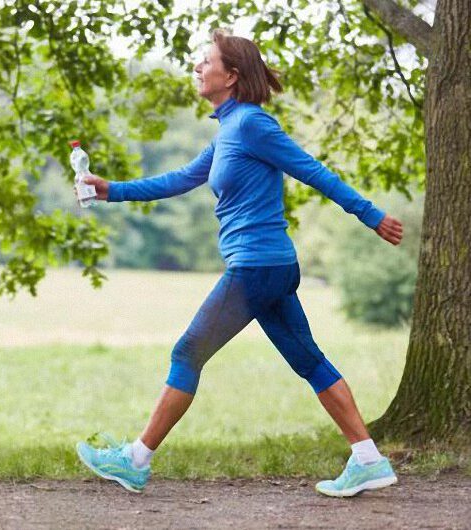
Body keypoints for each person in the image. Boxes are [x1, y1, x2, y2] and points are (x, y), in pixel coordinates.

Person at [74, 29, 404, 497]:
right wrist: (112, 190)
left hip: (256, 267)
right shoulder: (228, 129)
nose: (197, 67)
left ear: (230, 75)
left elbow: (312, 170)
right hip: (267, 268)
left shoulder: (252, 124)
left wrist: (370, 215)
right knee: (309, 361)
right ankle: (368, 459)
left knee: (187, 353)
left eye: (205, 61)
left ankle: (135, 460)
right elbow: (181, 179)